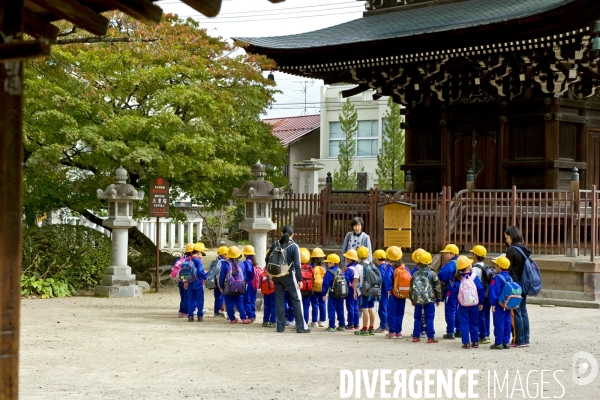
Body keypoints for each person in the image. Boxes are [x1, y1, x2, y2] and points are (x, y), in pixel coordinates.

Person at [266, 225, 310, 333]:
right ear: (292, 235)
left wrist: (270, 273)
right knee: (296, 299)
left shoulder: (275, 244)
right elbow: (297, 265)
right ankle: (300, 327)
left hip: (276, 276)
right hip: (289, 276)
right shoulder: (294, 246)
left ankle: (280, 327)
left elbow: (267, 259)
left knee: (279, 301)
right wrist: (300, 280)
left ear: (281, 233)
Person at [505, 226, 531, 348]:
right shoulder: (525, 248)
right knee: (524, 311)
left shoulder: (511, 250)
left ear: (512, 237)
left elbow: (508, 268)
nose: (506, 240)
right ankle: (526, 339)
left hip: (515, 285)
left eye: (507, 238)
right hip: (525, 283)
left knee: (516, 312)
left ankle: (518, 340)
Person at [452, 256, 485, 349]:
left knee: (464, 324)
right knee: (474, 323)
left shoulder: (458, 278)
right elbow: (480, 289)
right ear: (468, 266)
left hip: (463, 305)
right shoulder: (474, 277)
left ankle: (466, 342)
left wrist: (455, 300)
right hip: (474, 304)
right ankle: (475, 342)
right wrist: (481, 302)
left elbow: (455, 291)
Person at [410, 251, 442, 343]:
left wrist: (412, 299)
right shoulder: (432, 274)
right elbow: (437, 287)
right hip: (429, 298)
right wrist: (438, 298)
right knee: (429, 317)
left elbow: (411, 287)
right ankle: (430, 337)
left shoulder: (415, 274)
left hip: (418, 299)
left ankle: (416, 336)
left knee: (417, 317)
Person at [219, 246, 250, 324]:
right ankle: (244, 318)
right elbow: (245, 276)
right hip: (239, 287)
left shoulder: (225, 264)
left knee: (229, 303)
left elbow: (222, 276)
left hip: (228, 287)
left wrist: (221, 286)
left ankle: (232, 319)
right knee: (240, 303)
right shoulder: (241, 264)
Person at [386, 246, 412, 339]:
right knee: (400, 312)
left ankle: (392, 332)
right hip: (403, 293)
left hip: (394, 293)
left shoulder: (390, 267)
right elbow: (410, 277)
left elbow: (387, 278)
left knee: (392, 312)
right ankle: (398, 332)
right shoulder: (404, 267)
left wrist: (389, 289)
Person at [488, 255, 513, 350]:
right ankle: (506, 342)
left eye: (496, 265)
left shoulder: (497, 278)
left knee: (499, 323)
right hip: (508, 304)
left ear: (499, 266)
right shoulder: (510, 278)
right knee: (507, 322)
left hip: (499, 305)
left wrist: (493, 303)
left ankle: (498, 342)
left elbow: (494, 291)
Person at [470, 245, 493, 344]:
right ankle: (487, 334)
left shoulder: (475, 268)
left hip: (481, 295)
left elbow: (474, 282)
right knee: (486, 315)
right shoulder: (486, 266)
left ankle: (482, 335)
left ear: (475, 255)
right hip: (488, 295)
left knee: (480, 315)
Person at [352, 246, 378, 336]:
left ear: (358, 255)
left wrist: (355, 291)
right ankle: (371, 328)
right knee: (371, 309)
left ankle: (364, 329)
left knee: (364, 309)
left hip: (364, 291)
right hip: (373, 289)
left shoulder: (358, 266)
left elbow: (356, 280)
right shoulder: (372, 264)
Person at [438, 243, 460, 339]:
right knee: (458, 310)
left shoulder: (451, 264)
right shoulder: (460, 263)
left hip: (451, 290)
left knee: (450, 311)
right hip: (460, 289)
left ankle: (450, 331)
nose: (445, 255)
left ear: (452, 254)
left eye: (447, 253)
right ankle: (459, 330)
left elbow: (442, 275)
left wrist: (442, 280)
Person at [322, 254, 346, 332]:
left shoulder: (329, 272)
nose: (327, 264)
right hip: (341, 293)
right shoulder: (340, 271)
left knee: (331, 309)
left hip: (333, 294)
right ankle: (342, 325)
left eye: (328, 262)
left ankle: (332, 326)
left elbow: (325, 284)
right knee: (340, 309)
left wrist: (324, 293)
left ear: (332, 263)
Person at [187, 242, 208, 322]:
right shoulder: (198, 261)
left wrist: (186, 282)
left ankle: (190, 316)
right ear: (199, 252)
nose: (201, 255)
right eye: (202, 253)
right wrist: (206, 276)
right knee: (200, 300)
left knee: (190, 300)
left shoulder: (188, 259)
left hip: (190, 282)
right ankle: (199, 316)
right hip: (198, 283)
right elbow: (199, 271)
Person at [374, 249, 391, 333]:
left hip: (383, 290)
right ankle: (387, 325)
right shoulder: (388, 266)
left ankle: (383, 326)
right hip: (387, 290)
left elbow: (384, 279)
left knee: (382, 309)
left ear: (376, 259)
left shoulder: (381, 268)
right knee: (387, 308)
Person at [209, 246, 229, 318]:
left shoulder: (215, 261)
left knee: (217, 297)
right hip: (221, 282)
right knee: (222, 297)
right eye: (227, 254)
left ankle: (216, 311)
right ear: (223, 254)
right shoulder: (223, 262)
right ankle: (220, 311)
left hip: (214, 282)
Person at [343, 248, 360, 331]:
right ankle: (356, 324)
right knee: (356, 307)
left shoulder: (349, 269)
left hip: (350, 290)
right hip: (357, 290)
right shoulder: (357, 267)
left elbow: (346, 279)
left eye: (347, 258)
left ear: (349, 259)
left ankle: (350, 324)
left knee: (350, 307)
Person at [310, 248, 327, 327]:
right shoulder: (324, 267)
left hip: (313, 288)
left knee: (314, 304)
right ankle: (322, 321)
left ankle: (314, 321)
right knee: (322, 304)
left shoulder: (311, 266)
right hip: (322, 288)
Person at [299, 248, 315, 326]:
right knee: (306, 307)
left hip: (299, 290)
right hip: (308, 290)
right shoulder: (310, 268)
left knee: (298, 306)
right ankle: (305, 322)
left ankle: (299, 322)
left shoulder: (297, 268)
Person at [242, 245, 257, 323]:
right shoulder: (254, 262)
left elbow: (244, 275)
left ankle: (250, 316)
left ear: (246, 254)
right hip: (254, 284)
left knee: (247, 300)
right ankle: (253, 315)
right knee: (252, 300)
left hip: (248, 283)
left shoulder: (246, 263)